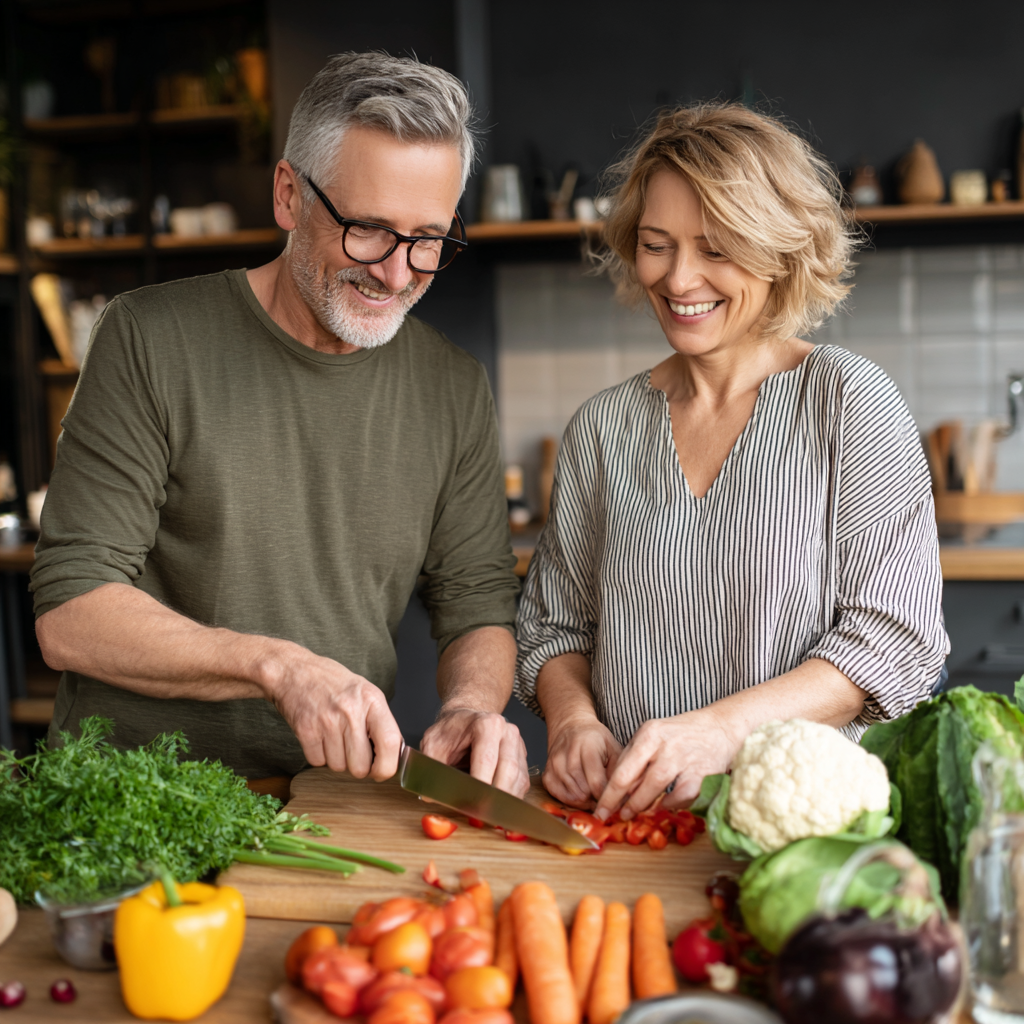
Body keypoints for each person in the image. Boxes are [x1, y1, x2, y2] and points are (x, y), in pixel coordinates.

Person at [30, 52, 528, 795]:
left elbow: (477, 602)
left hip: (329, 803)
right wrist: (277, 668)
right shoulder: (149, 338)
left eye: (429, 238)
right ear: (289, 196)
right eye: (368, 230)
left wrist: (470, 706)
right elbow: (71, 612)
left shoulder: (452, 385)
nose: (397, 274)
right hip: (131, 801)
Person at [514, 103, 948, 821]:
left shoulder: (847, 401)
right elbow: (556, 630)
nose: (680, 280)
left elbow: (892, 640)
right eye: (657, 244)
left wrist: (718, 732)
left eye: (716, 250)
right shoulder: (601, 428)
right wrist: (572, 722)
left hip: (807, 835)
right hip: (631, 823)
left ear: (779, 250)